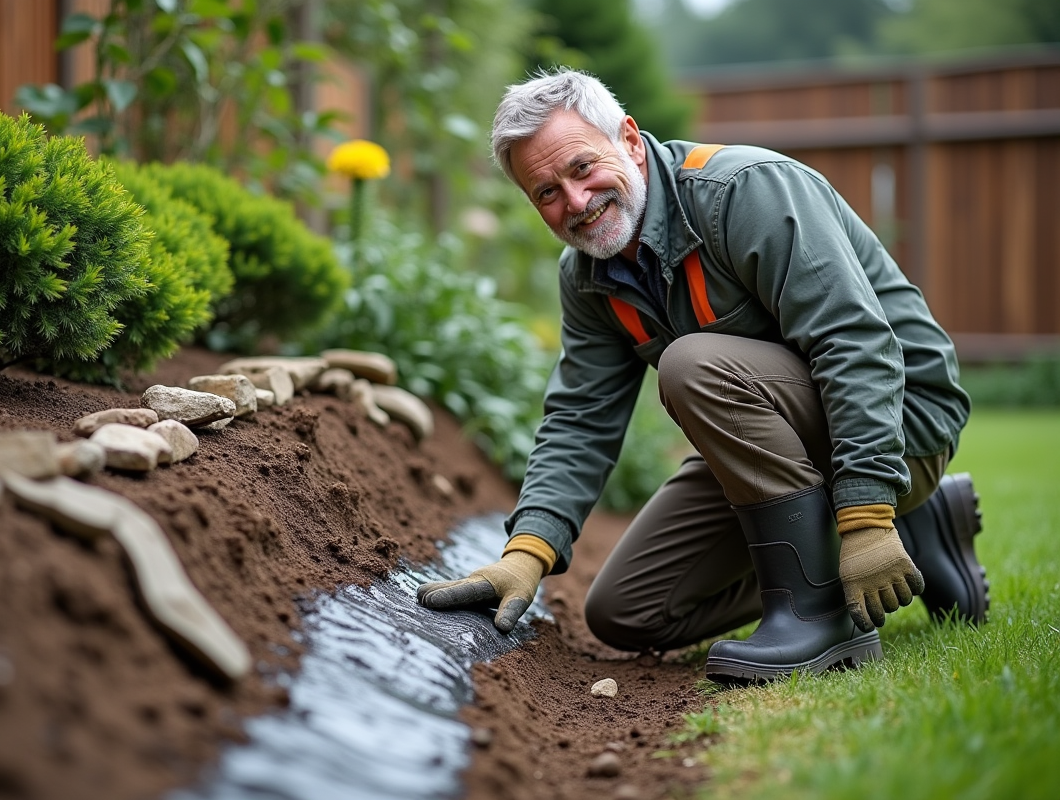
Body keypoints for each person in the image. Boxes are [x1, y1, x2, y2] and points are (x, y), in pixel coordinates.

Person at [416, 68, 988, 683]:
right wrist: (528, 551)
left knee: (693, 362)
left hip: (901, 420)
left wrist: (868, 516)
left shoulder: (743, 192)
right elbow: (582, 417)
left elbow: (855, 343)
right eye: (546, 192)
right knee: (627, 611)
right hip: (781, 438)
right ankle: (916, 525)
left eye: (582, 168)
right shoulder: (587, 275)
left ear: (630, 141)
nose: (575, 203)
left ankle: (818, 612)